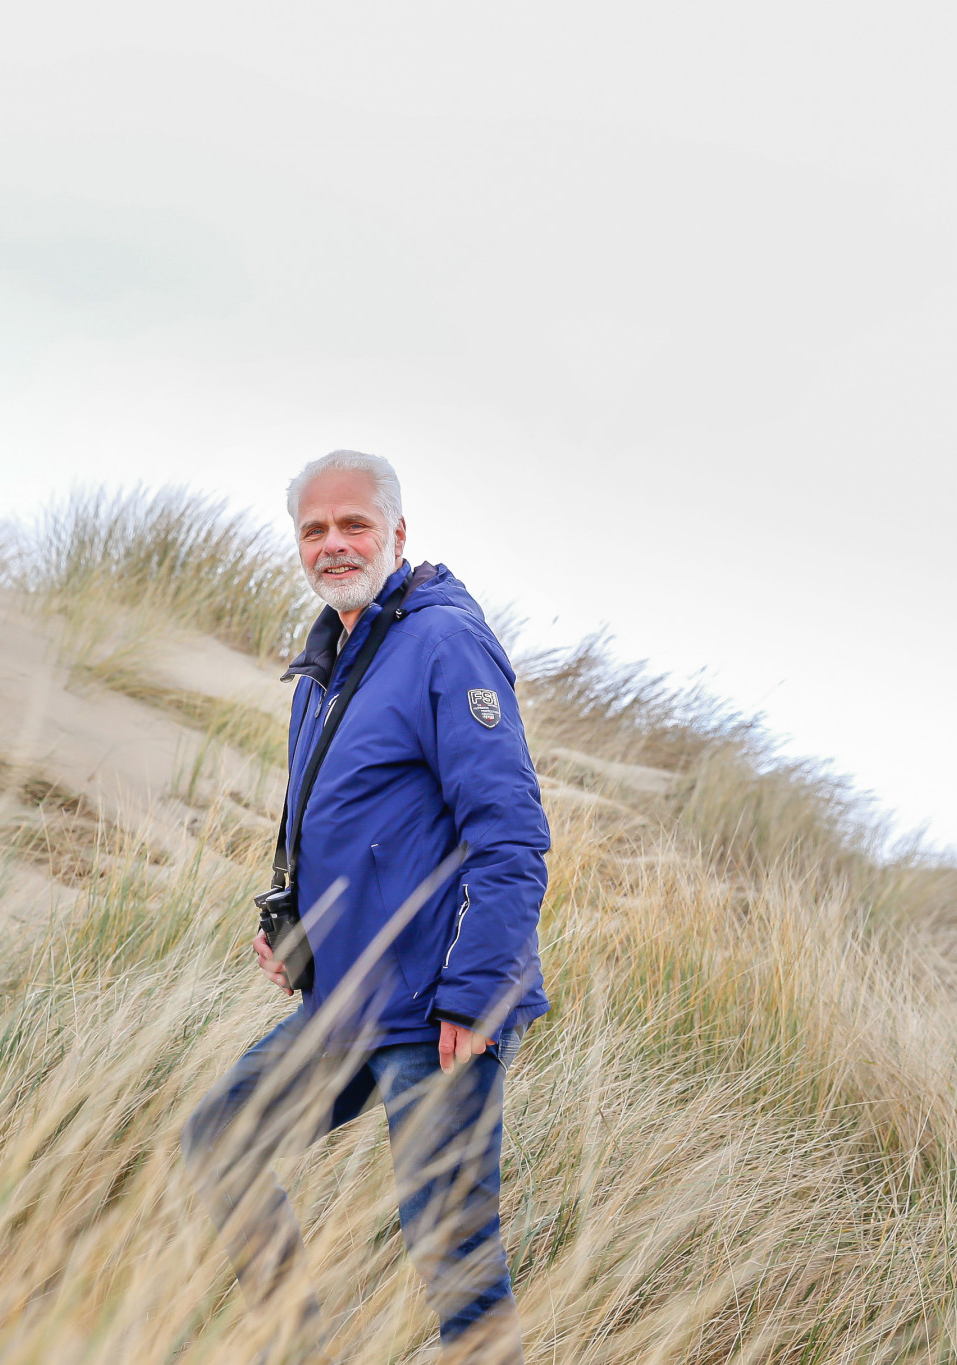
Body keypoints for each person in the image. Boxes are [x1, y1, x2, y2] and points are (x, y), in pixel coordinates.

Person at [181, 450, 549, 1364]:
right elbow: (350, 826)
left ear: (397, 532)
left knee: (453, 1256)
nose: (334, 543)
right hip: (343, 1003)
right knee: (220, 1135)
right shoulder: (327, 662)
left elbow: (511, 835)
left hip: (434, 1012)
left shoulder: (442, 642)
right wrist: (298, 928)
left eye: (354, 525)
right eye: (315, 528)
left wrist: (477, 992)